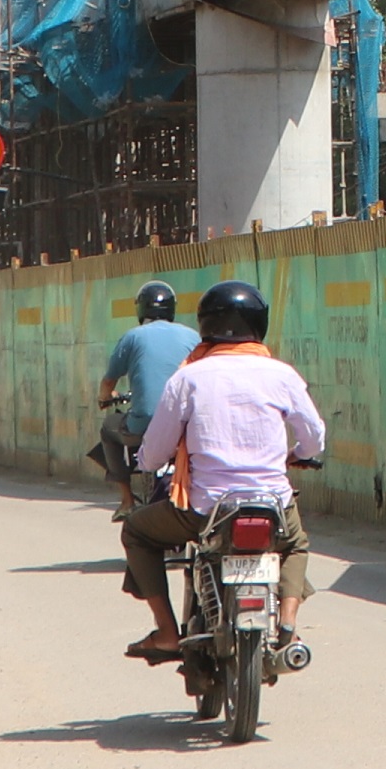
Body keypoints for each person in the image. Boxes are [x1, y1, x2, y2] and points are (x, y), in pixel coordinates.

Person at [120, 279, 323, 662]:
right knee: (294, 544)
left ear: (205, 326)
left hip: (204, 510)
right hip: (271, 505)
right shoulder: (281, 374)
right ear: (258, 324)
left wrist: (145, 463)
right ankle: (288, 626)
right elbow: (314, 436)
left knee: (136, 530)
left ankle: (166, 632)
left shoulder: (188, 377)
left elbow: (158, 446)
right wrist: (298, 453)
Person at [95, 282, 196, 484]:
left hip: (144, 423)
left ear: (141, 308)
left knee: (108, 429)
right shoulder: (192, 336)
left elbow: (108, 382)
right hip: (186, 424)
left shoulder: (133, 336)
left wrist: (105, 398)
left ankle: (126, 499)